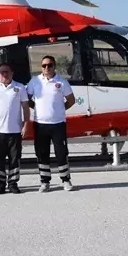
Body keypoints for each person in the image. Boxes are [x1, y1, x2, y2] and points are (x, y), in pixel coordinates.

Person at [25, 55, 76, 192]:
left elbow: (71, 100)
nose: (47, 68)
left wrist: (60, 109)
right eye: (44, 65)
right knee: (42, 153)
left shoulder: (62, 82)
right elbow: (26, 99)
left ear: (54, 66)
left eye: (50, 65)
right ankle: (45, 182)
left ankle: (66, 180)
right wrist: (35, 107)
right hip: (40, 124)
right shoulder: (34, 81)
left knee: (61, 153)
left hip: (58, 124)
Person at [0, 62, 29, 194]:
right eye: (2, 72)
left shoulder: (19, 87)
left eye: (7, 72)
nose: (5, 74)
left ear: (12, 73)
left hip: (15, 130)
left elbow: (25, 107)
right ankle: (1, 183)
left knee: (15, 158)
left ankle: (13, 183)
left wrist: (26, 124)